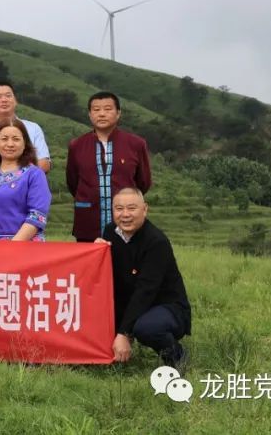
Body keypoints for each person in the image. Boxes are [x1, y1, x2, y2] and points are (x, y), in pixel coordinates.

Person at [95, 187, 191, 368]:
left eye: (132, 208)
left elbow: (146, 291)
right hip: (128, 302)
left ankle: (177, 357)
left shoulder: (156, 242)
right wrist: (97, 252)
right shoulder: (109, 232)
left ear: (145, 209)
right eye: (119, 209)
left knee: (147, 328)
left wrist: (124, 333)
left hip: (165, 306)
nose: (125, 215)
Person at [67, 91, 152, 241]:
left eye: (107, 109)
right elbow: (73, 182)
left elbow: (143, 182)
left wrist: (127, 200)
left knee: (126, 255)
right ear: (90, 114)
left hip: (126, 220)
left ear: (118, 113)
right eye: (96, 110)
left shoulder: (136, 144)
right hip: (88, 220)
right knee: (90, 256)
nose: (101, 114)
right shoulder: (77, 145)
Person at [0, 120, 51, 241]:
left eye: (16, 139)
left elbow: (36, 216)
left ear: (25, 143)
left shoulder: (35, 175)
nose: (10, 144)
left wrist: (11, 246)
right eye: (4, 139)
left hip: (27, 245)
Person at [0, 81, 51, 181]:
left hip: (28, 186)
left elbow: (44, 164)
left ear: (15, 100)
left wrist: (15, 177)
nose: (4, 100)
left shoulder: (33, 128)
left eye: (8, 96)